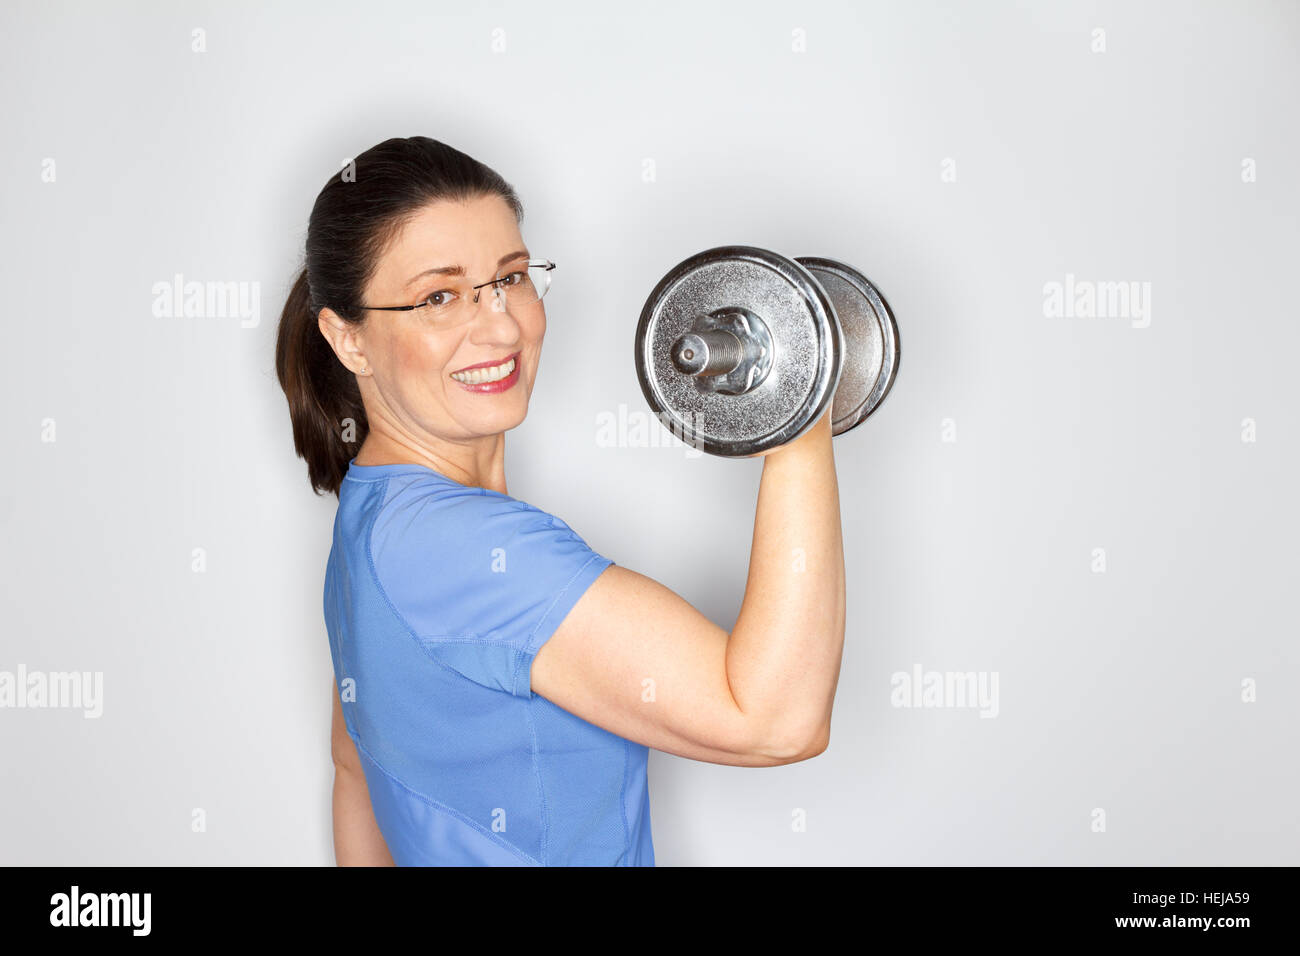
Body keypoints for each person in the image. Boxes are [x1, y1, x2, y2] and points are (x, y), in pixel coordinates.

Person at [274, 136, 846, 866]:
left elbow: (356, 771)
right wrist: (799, 408)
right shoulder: (470, 552)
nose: (502, 325)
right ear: (347, 338)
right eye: (439, 296)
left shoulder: (372, 519)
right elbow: (773, 719)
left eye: (510, 278)